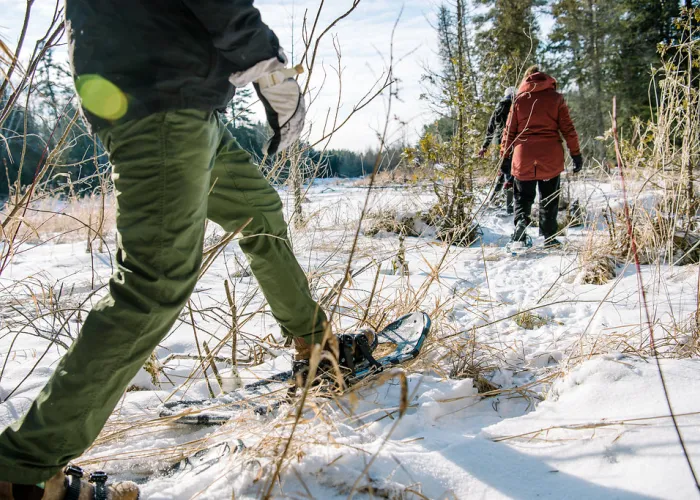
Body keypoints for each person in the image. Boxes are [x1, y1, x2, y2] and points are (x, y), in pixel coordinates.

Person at [0, 1, 343, 498]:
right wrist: (266, 61)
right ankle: (21, 469)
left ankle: (317, 344)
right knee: (153, 283)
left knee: (258, 209)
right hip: (160, 96)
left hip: (181, 96)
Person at [500, 66, 583, 248]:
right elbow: (568, 129)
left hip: (524, 156)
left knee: (522, 197)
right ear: (549, 81)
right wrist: (576, 154)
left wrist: (505, 158)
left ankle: (521, 227)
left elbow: (509, 132)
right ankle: (549, 236)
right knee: (549, 197)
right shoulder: (556, 99)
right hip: (550, 156)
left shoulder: (519, 100)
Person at [478, 87, 515, 214]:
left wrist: (484, 146)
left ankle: (492, 199)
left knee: (503, 171)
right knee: (511, 175)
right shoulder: (517, 106)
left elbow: (490, 129)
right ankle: (509, 206)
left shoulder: (499, 108)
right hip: (514, 143)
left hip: (500, 145)